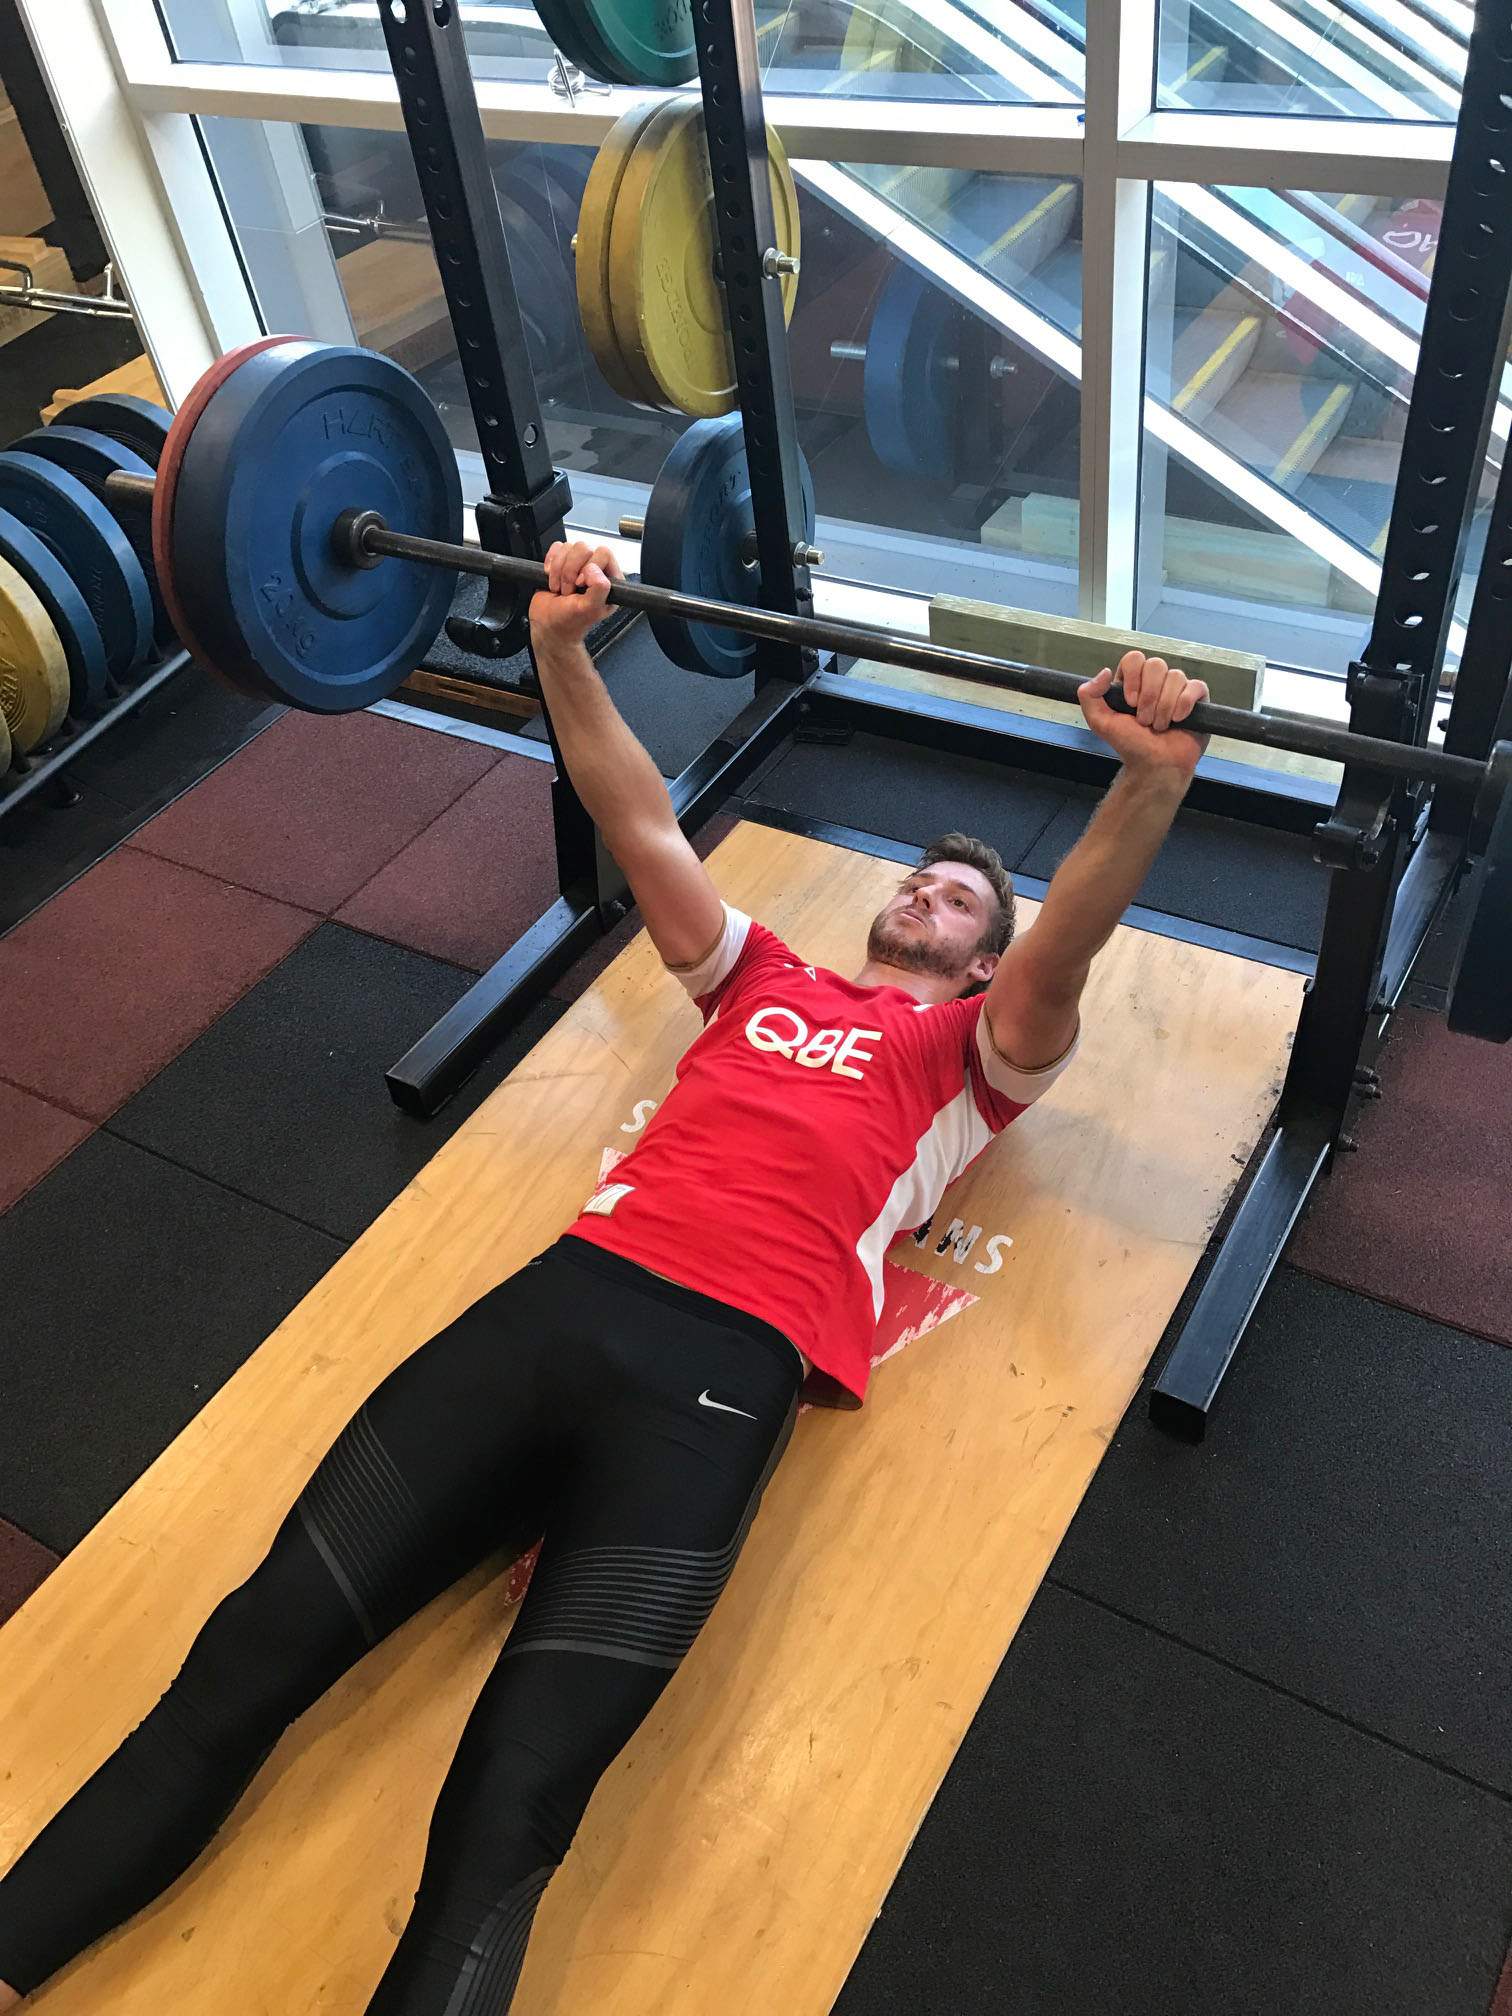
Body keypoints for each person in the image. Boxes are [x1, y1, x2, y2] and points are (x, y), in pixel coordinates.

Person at [0, 542, 1210, 2014]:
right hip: (557, 1308)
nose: (925, 894)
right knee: (248, 1654)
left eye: (958, 900)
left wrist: (1148, 785)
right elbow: (639, 822)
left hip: (719, 1384)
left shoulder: (969, 1061)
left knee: (509, 1808)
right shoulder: (761, 979)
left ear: (978, 963)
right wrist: (564, 649)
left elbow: (1065, 947)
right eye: (919, 878)